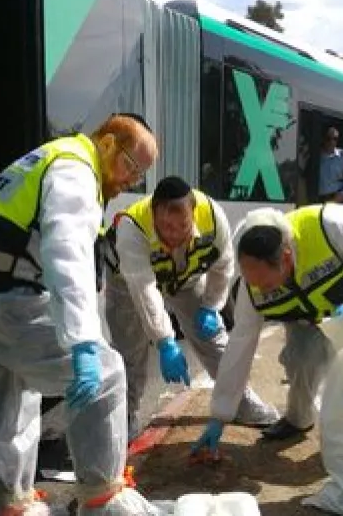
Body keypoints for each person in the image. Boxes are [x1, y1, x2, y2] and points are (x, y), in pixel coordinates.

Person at [0, 113, 161, 515]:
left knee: (10, 394)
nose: (131, 180)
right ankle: (104, 500)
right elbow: (67, 252)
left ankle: (14, 503)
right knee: (107, 373)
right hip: (2, 295)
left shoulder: (47, 159)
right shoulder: (77, 168)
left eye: (140, 175)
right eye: (131, 166)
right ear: (107, 143)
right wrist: (83, 341)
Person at [192, 204, 343, 449]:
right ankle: (298, 420)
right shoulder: (251, 289)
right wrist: (220, 416)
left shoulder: (332, 226)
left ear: (286, 258)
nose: (261, 290)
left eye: (267, 284)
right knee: (300, 359)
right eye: (253, 282)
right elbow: (240, 346)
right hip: (309, 319)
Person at [103, 176, 280, 441]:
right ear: (153, 213)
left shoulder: (212, 217)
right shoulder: (132, 228)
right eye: (166, 226)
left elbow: (223, 266)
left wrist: (211, 306)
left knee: (213, 337)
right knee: (130, 351)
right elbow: (144, 291)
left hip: (186, 278)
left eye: (183, 225)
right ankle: (126, 416)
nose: (174, 234)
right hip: (128, 283)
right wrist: (164, 341)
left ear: (193, 211)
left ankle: (240, 402)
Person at [315, 126, 343, 203]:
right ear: (323, 139)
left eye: (335, 139)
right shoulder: (315, 157)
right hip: (319, 200)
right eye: (328, 139)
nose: (332, 142)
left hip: (338, 199)